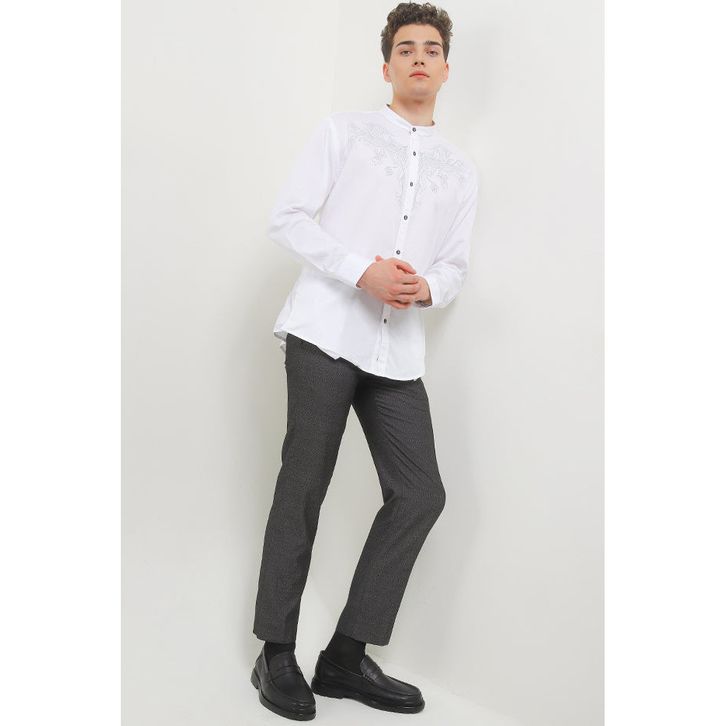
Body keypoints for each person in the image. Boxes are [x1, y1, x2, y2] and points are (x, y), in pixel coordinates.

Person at [250, 2, 479, 719]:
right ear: (387, 66)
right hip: (326, 332)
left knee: (421, 493)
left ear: (446, 68)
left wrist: (427, 287)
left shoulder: (460, 170)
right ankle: (275, 653)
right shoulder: (342, 132)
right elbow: (287, 218)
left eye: (431, 49)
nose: (419, 58)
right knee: (304, 486)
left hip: (396, 351)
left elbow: (454, 264)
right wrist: (362, 271)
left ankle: (344, 659)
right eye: (405, 48)